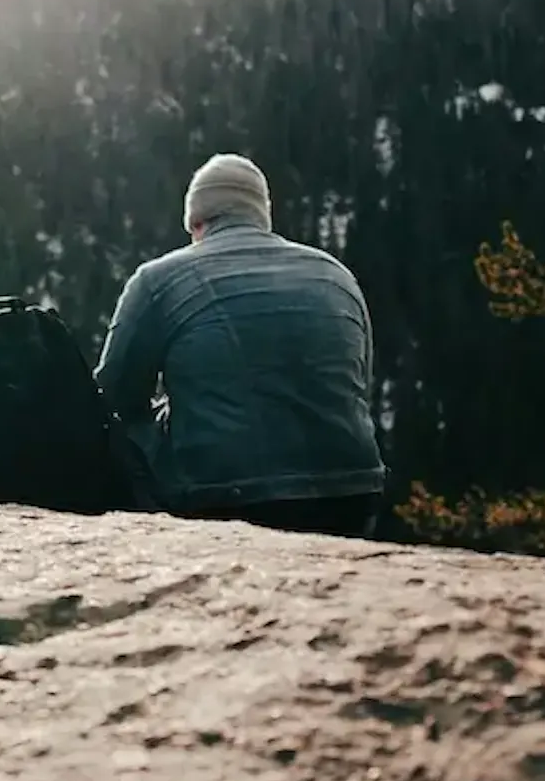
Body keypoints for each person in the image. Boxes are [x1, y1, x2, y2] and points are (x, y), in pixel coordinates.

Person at [92, 153, 386, 537]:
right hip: (352, 493)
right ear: (262, 216)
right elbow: (357, 384)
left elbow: (113, 395)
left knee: (118, 433)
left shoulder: (158, 279)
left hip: (227, 499)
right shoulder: (336, 274)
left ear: (196, 222)